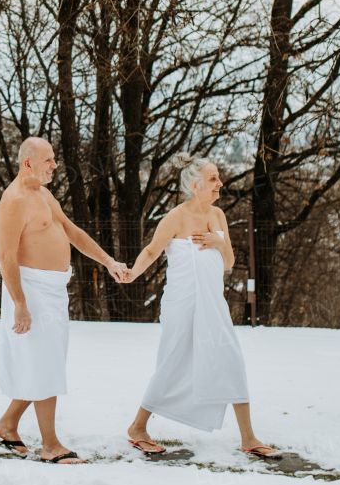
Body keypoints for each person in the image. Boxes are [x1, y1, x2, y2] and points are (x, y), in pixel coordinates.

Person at [117, 153, 280, 459]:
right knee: (173, 362)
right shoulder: (175, 217)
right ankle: (138, 427)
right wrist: (130, 274)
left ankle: (248, 437)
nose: (220, 183)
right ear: (195, 185)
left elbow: (229, 262)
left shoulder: (218, 217)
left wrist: (220, 243)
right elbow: (152, 251)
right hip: (182, 303)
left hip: (213, 303)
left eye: (218, 177)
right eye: (213, 178)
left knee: (231, 359)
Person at [0, 137, 128, 464]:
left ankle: (7, 424)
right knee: (45, 364)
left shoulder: (42, 193)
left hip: (52, 290)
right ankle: (50, 445)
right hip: (31, 290)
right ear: (28, 164)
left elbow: (71, 231)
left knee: (43, 362)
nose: (54, 165)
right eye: (49, 160)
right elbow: (5, 256)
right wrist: (20, 303)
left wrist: (108, 261)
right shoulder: (14, 200)